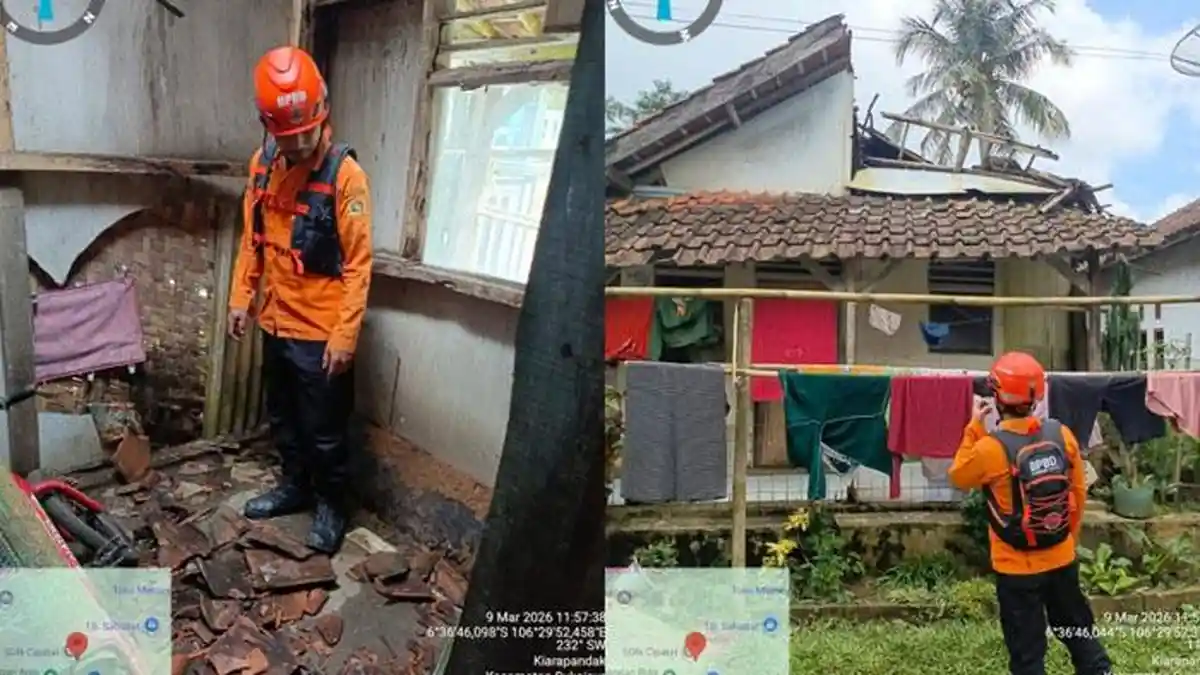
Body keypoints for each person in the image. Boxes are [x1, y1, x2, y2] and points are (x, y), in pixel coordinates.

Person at [226, 45, 373, 554]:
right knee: (284, 418)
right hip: (275, 322)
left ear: (322, 112)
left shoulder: (345, 177)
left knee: (324, 431)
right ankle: (294, 487)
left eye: (305, 134)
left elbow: (358, 263)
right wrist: (241, 299)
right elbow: (253, 239)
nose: (298, 145)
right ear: (268, 127)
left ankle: (332, 504)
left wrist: (344, 336)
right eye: (286, 138)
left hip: (321, 334)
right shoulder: (262, 167)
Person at [948, 351, 1112, 675]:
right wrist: (1066, 540)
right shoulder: (1060, 435)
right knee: (1078, 631)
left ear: (997, 397)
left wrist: (973, 428)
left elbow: (960, 475)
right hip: (1061, 558)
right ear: (1037, 397)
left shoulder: (988, 448)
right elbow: (1077, 493)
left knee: (1027, 653)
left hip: (1015, 568)